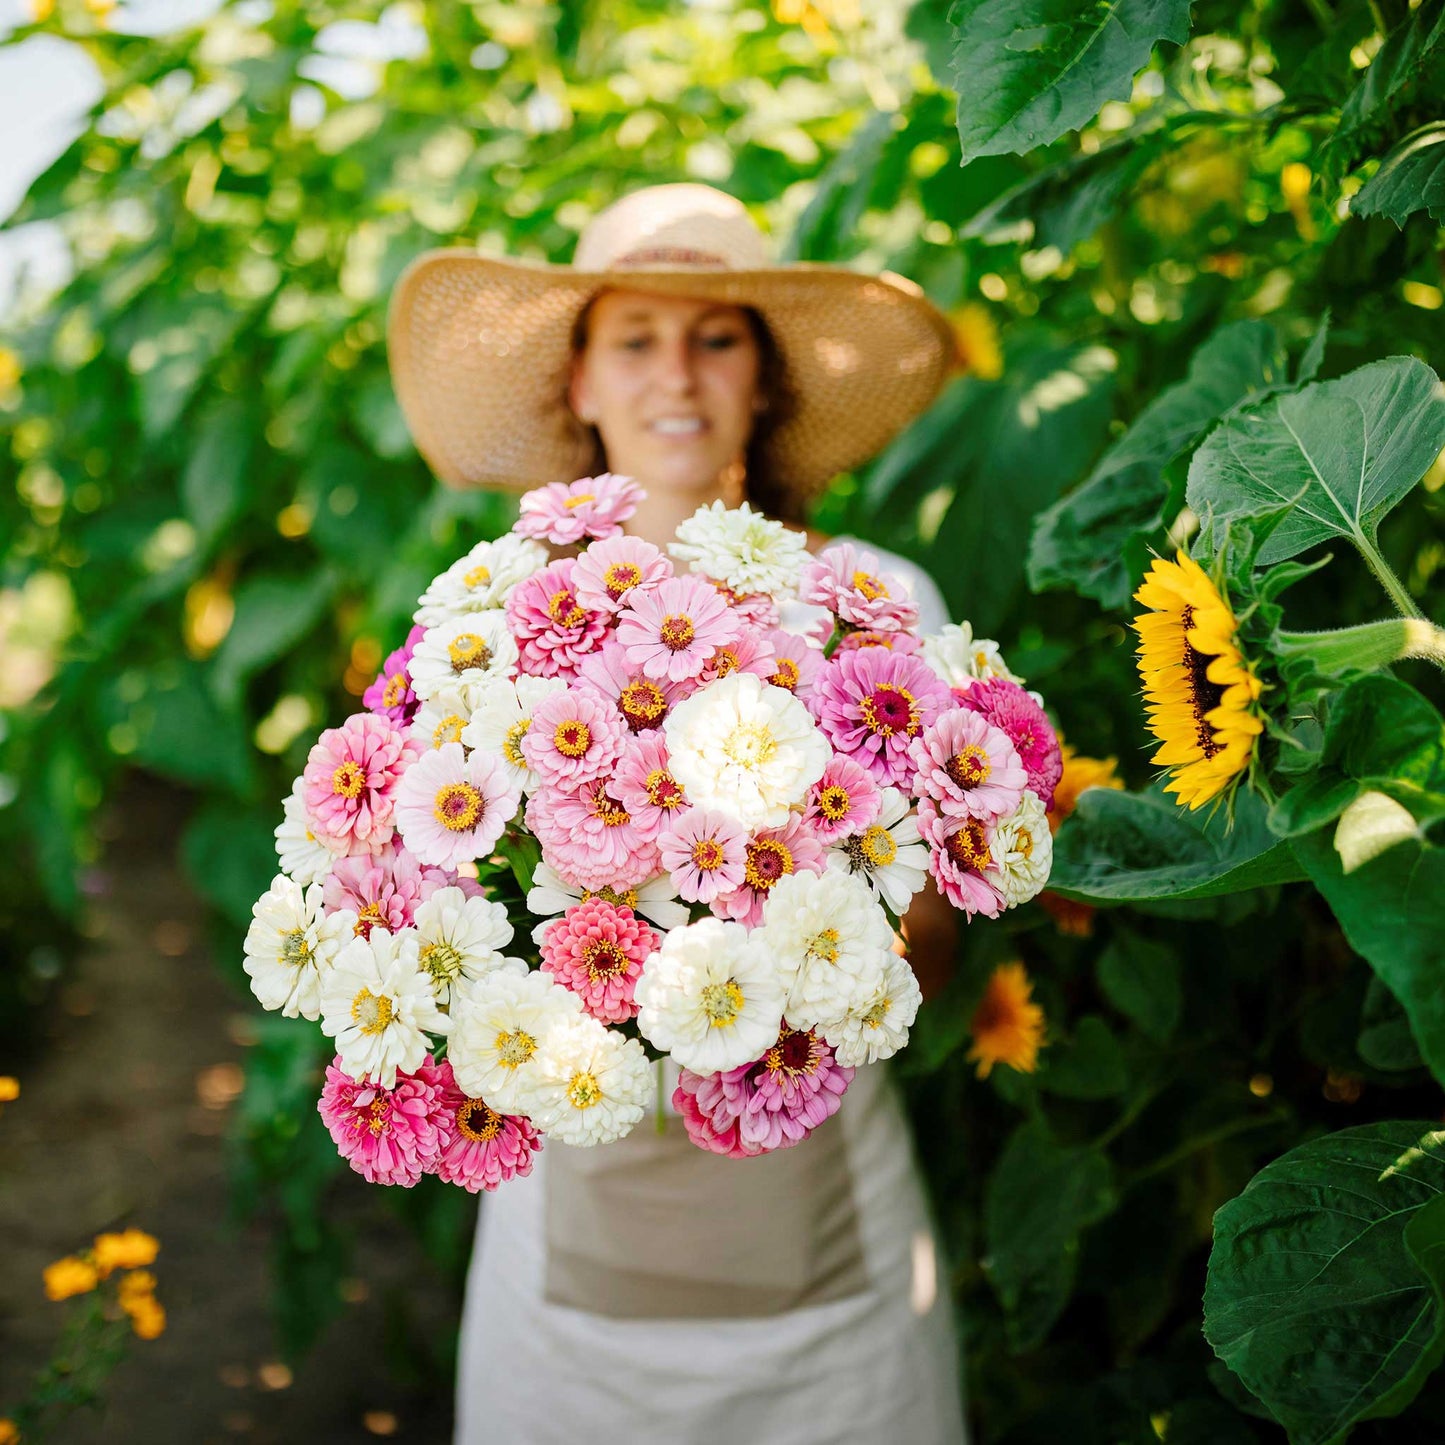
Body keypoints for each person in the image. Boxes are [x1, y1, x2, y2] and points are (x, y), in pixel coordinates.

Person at [387, 183, 967, 1445]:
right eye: (634, 338)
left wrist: (776, 947)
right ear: (578, 382)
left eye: (716, 337)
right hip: (570, 1278)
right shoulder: (492, 624)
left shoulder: (869, 601)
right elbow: (440, 898)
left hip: (827, 1265)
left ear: (762, 381)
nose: (677, 377)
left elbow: (936, 937)